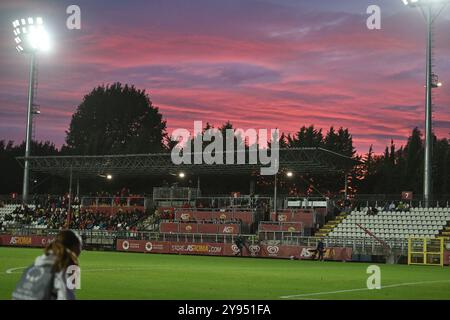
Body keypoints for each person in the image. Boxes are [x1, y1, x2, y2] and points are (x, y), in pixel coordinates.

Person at [12, 230, 82, 300]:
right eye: (80, 245)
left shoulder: (32, 266)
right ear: (74, 246)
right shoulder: (69, 266)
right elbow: (66, 297)